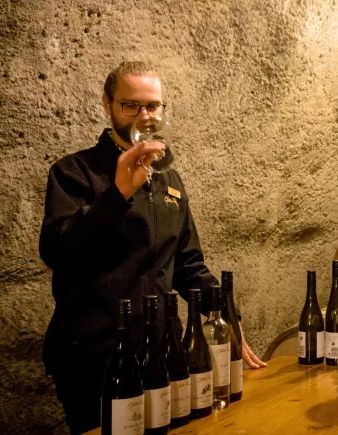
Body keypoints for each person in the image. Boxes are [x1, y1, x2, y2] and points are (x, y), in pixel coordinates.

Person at [39, 61, 267, 435]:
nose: (144, 116)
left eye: (153, 106)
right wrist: (119, 194)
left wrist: (226, 312)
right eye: (131, 106)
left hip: (161, 347)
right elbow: (57, 251)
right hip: (95, 352)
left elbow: (188, 264)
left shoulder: (169, 179)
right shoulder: (73, 172)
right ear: (107, 105)